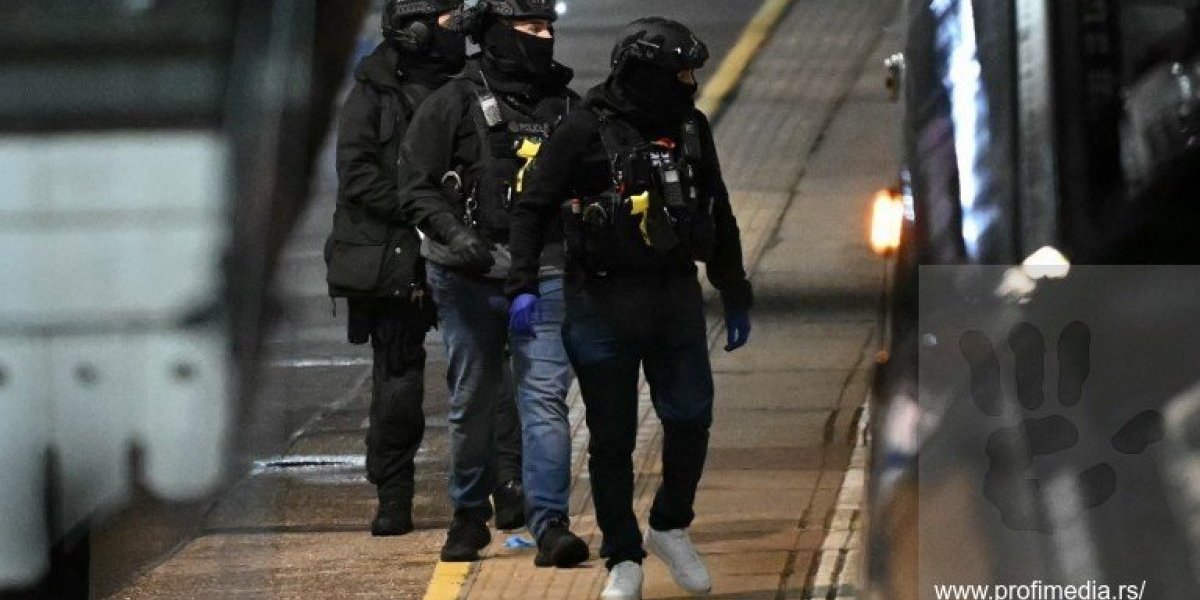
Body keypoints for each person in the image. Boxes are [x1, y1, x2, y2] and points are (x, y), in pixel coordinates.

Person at [505, 17, 754, 599]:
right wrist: (522, 283)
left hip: (673, 296)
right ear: (646, 73)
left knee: (690, 416)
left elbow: (717, 208)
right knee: (612, 437)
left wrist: (733, 287)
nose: (690, 83)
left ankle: (671, 523)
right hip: (600, 302)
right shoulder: (583, 129)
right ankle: (623, 555)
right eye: (681, 73)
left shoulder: (690, 128)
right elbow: (532, 207)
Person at [394, 0, 589, 565]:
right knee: (472, 399)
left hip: (544, 273)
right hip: (467, 278)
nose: (544, 37)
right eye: (532, 28)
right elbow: (415, 185)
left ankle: (550, 523)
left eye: (548, 28)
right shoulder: (452, 102)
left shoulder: (566, 107)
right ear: (497, 34)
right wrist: (456, 237)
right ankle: (468, 516)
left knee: (544, 400)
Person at [323, 0, 467, 537]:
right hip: (395, 257)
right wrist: (424, 210)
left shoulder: (467, 88)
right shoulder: (372, 95)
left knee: (484, 375)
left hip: (461, 248)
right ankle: (393, 494)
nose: (459, 30)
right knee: (399, 381)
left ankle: (499, 490)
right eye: (449, 21)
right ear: (416, 29)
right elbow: (357, 175)